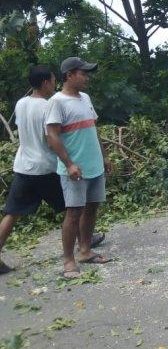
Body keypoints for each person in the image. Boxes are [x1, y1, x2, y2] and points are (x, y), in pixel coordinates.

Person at [46, 57, 112, 278]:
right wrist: (69, 163)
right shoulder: (57, 101)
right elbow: (52, 136)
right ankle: (68, 261)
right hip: (74, 170)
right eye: (83, 73)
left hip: (94, 166)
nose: (86, 77)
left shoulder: (85, 98)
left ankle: (84, 250)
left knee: (92, 208)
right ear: (69, 75)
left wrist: (104, 156)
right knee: (73, 213)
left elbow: (93, 129)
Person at [0, 66, 66, 274]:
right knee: (71, 208)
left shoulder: (21, 103)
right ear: (45, 82)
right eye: (53, 80)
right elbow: (51, 138)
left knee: (12, 213)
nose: (55, 84)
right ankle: (85, 241)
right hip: (45, 167)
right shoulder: (47, 107)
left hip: (23, 166)